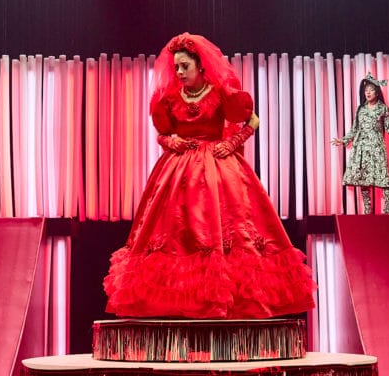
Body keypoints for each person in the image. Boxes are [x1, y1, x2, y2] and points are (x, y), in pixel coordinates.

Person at [104, 32, 316, 319]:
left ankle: (226, 301)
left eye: (185, 66)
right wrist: (171, 142)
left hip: (218, 169)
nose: (179, 72)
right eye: (176, 67)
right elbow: (161, 134)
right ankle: (180, 304)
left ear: (200, 65)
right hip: (178, 172)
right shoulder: (170, 98)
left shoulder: (219, 93)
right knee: (175, 233)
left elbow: (253, 120)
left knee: (228, 228)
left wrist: (233, 142)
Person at [332, 73, 389, 214]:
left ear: (377, 93)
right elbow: (354, 130)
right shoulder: (361, 109)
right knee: (363, 179)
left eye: (371, 90)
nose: (368, 93)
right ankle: (367, 209)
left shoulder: (383, 108)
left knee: (383, 177)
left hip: (377, 147)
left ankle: (388, 208)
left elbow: (388, 128)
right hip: (362, 147)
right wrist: (343, 140)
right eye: (366, 90)